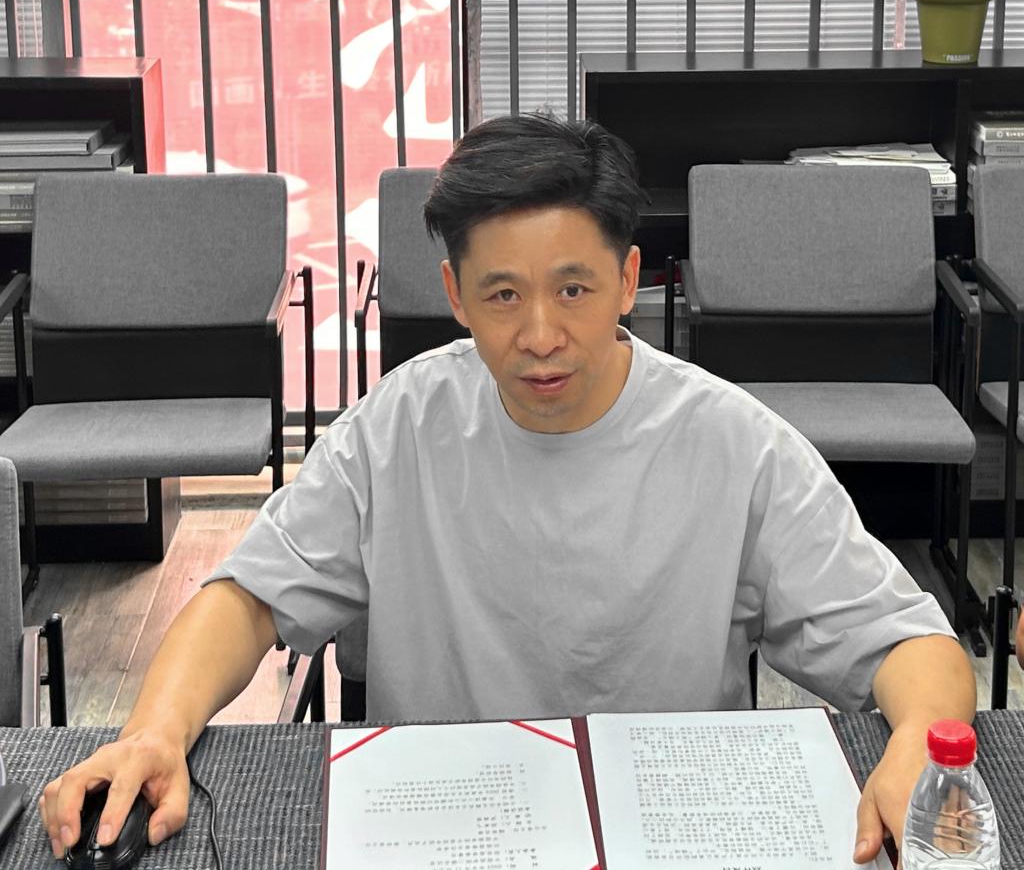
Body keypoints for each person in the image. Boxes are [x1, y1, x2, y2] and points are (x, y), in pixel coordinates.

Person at [39, 113, 974, 865]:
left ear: (628, 280)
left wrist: (918, 747)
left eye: (573, 290)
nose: (539, 335)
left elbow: (912, 642)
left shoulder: (734, 443)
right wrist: (155, 731)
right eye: (502, 296)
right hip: (444, 825)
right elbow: (246, 599)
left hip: (669, 831)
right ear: (454, 295)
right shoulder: (399, 426)